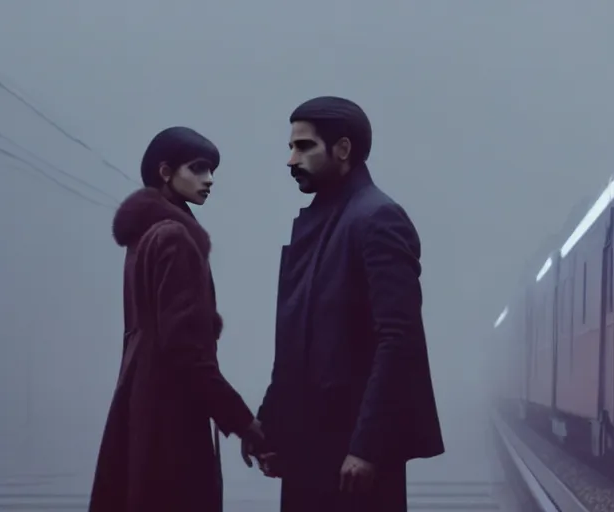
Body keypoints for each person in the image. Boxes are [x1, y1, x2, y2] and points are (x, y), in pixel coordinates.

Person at [252, 97, 445, 512]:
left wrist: (368, 448)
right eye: (291, 147)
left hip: (352, 454)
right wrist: (270, 425)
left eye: (304, 147)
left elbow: (398, 340)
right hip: (308, 446)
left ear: (343, 149)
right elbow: (294, 339)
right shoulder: (321, 221)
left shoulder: (378, 218)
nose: (290, 159)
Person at [89, 126, 264, 512]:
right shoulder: (174, 238)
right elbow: (185, 349)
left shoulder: (145, 237)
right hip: (171, 420)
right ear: (165, 172)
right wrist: (243, 421)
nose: (209, 180)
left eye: (212, 170)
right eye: (198, 168)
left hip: (141, 407)